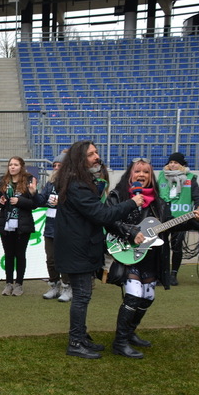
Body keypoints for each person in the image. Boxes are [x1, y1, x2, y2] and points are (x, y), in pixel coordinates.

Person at [106, 158, 199, 358]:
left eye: (146, 172)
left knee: (148, 297)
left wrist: (194, 219)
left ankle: (130, 332)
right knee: (133, 296)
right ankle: (120, 342)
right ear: (130, 174)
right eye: (137, 171)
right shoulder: (118, 195)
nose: (142, 175)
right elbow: (109, 219)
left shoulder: (159, 202)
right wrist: (131, 231)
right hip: (127, 252)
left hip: (152, 256)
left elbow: (171, 224)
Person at [54, 140, 144, 359]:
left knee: (83, 295)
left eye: (96, 152)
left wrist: (127, 230)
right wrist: (133, 203)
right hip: (78, 249)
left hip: (81, 247)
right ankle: (76, 341)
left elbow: (99, 214)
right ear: (80, 159)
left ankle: (81, 336)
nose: (97, 157)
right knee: (82, 296)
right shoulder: (77, 185)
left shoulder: (78, 182)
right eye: (91, 154)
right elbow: (102, 215)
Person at [157, 152, 199, 286]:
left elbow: (197, 196)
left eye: (176, 162)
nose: (172, 165)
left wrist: (198, 207)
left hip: (181, 218)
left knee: (177, 247)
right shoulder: (161, 176)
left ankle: (173, 274)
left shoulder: (190, 178)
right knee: (161, 247)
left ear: (182, 165)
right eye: (170, 162)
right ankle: (162, 274)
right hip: (162, 218)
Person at [0, 156, 38, 297]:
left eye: (15, 165)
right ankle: (8, 283)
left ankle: (19, 284)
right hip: (6, 224)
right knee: (8, 255)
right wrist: (0, 201)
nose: (12, 167)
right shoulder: (3, 181)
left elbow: (35, 204)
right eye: (10, 164)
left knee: (20, 254)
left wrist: (20, 201)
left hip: (22, 225)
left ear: (21, 167)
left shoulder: (29, 181)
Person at [34, 152, 72, 302]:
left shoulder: (71, 184)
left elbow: (75, 205)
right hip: (50, 227)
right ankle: (54, 285)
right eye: (54, 166)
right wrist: (33, 193)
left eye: (59, 166)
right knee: (51, 259)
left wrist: (61, 203)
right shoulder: (50, 184)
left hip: (65, 227)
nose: (56, 168)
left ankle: (67, 287)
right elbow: (42, 200)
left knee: (64, 258)